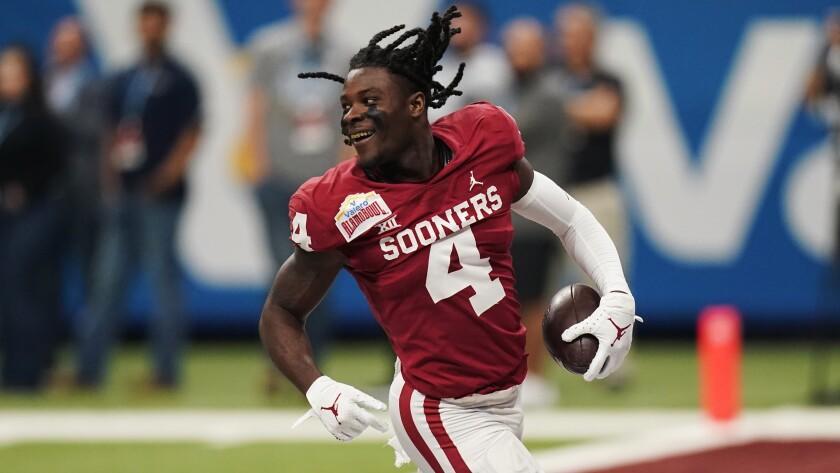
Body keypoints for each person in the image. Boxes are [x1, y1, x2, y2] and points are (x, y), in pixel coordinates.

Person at [259, 7, 640, 472]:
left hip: (503, 397)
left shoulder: (481, 142)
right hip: (440, 408)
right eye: (346, 105)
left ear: (416, 105)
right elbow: (281, 310)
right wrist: (317, 386)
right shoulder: (339, 204)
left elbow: (570, 218)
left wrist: (618, 294)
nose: (353, 116)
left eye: (370, 101)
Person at [75, 1, 202, 389]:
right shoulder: (124, 78)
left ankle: (165, 372)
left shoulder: (180, 79)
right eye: (144, 24)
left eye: (156, 24)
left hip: (160, 196)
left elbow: (192, 131)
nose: (149, 31)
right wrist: (109, 179)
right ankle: (88, 372)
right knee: (106, 282)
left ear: (166, 27)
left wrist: (168, 174)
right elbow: (112, 131)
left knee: (163, 283)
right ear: (138, 27)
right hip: (126, 192)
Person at [244, 0, 349, 365]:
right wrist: (258, 162)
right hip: (279, 175)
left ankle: (312, 358)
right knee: (280, 270)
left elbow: (352, 114)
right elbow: (257, 105)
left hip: (323, 181)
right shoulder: (269, 46)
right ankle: (280, 360)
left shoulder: (345, 52)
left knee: (320, 272)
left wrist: (343, 171)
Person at [502, 17, 569, 407]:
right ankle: (517, 375)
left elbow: (507, 133)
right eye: (513, 48)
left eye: (525, 48)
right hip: (511, 214)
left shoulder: (546, 93)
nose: (518, 56)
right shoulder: (515, 89)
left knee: (531, 300)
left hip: (533, 214)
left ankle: (537, 377)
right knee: (511, 299)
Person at [0, 44, 66, 390]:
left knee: (23, 287)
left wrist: (23, 187)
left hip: (36, 211)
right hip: (7, 217)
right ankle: (12, 369)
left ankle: (30, 369)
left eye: (13, 71)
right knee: (9, 291)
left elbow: (54, 166)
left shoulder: (40, 118)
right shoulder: (4, 115)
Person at [554, 4, 628, 272]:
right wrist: (581, 106)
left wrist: (556, 107)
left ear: (593, 38)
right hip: (553, 192)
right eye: (565, 35)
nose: (570, 42)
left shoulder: (609, 79)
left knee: (603, 281)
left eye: (578, 35)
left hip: (595, 190)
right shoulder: (550, 76)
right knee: (547, 286)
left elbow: (603, 114)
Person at [44, 17, 104, 297]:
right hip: (43, 189)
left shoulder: (95, 84)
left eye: (70, 43)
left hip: (81, 190)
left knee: (88, 265)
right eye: (59, 41)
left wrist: (52, 119)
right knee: (39, 265)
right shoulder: (42, 81)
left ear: (83, 47)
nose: (62, 48)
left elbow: (96, 128)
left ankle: (89, 334)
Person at [430, 1, 511, 119]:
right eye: (451, 21)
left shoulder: (495, 62)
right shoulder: (439, 70)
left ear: (480, 26)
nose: (456, 25)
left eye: (464, 20)